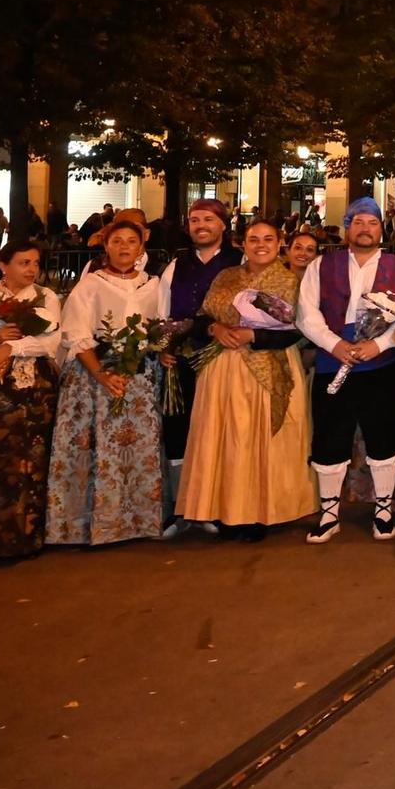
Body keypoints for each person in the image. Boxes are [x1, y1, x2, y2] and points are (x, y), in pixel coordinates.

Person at [175, 221, 315, 541]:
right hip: (223, 369)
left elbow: (298, 331)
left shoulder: (291, 281)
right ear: (242, 243)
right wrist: (215, 330)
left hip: (270, 365)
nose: (261, 244)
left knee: (262, 440)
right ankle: (227, 510)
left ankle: (262, 512)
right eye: (254, 239)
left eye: (269, 238)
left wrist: (254, 333)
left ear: (280, 243)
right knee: (226, 439)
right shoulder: (226, 277)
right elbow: (201, 319)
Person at [297, 197, 395, 544]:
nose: (365, 229)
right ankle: (329, 513)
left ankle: (382, 511)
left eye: (372, 223)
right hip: (332, 359)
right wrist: (334, 345)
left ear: (382, 228)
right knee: (330, 437)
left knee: (384, 437)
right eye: (358, 222)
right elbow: (306, 314)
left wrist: (378, 345)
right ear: (348, 227)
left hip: (380, 364)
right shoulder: (322, 264)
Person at [48, 218, 165, 545]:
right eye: (117, 241)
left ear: (141, 246)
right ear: (106, 246)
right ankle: (88, 526)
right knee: (95, 448)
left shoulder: (152, 284)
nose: (124, 247)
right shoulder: (91, 284)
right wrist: (100, 372)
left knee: (137, 451)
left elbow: (160, 327)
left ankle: (137, 522)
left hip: (139, 378)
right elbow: (76, 332)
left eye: (131, 241)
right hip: (94, 376)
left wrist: (161, 350)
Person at [156, 198, 244, 537]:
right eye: (194, 220)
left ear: (223, 224)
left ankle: (216, 505)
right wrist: (165, 348)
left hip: (224, 359)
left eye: (208, 219)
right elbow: (162, 315)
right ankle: (181, 506)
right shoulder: (175, 267)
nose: (201, 225)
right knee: (178, 430)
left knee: (218, 431)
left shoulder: (240, 262)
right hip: (181, 362)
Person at [0, 241, 64, 556]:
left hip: (31, 391)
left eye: (35, 263)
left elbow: (52, 341)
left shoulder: (45, 297)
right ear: (3, 265)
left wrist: (12, 348)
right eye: (23, 262)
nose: (31, 269)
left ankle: (25, 537)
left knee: (28, 458)